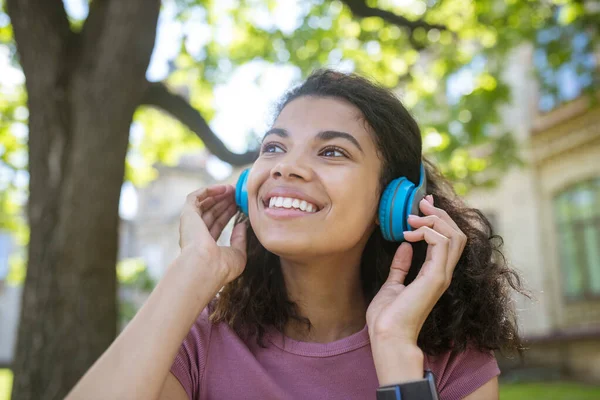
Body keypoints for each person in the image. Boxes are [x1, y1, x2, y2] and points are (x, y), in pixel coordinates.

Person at [66, 70, 525, 400]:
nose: (285, 165)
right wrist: (192, 272)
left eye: (331, 151)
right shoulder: (199, 339)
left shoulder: (451, 361)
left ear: (395, 203)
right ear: (249, 189)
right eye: (273, 147)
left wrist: (396, 356)